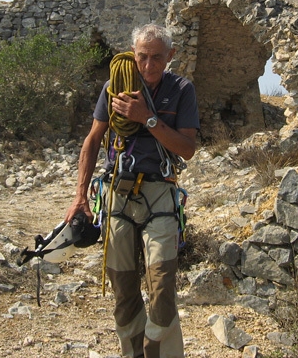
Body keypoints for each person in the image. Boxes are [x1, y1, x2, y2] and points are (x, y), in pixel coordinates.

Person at [65, 23, 199, 358]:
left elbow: (186, 148)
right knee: (123, 292)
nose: (149, 65)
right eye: (142, 57)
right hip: (117, 195)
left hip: (160, 195)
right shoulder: (115, 87)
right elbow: (93, 141)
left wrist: (147, 118)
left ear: (171, 55)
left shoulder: (182, 89)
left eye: (157, 57)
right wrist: (80, 197)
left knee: (162, 288)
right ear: (132, 54)